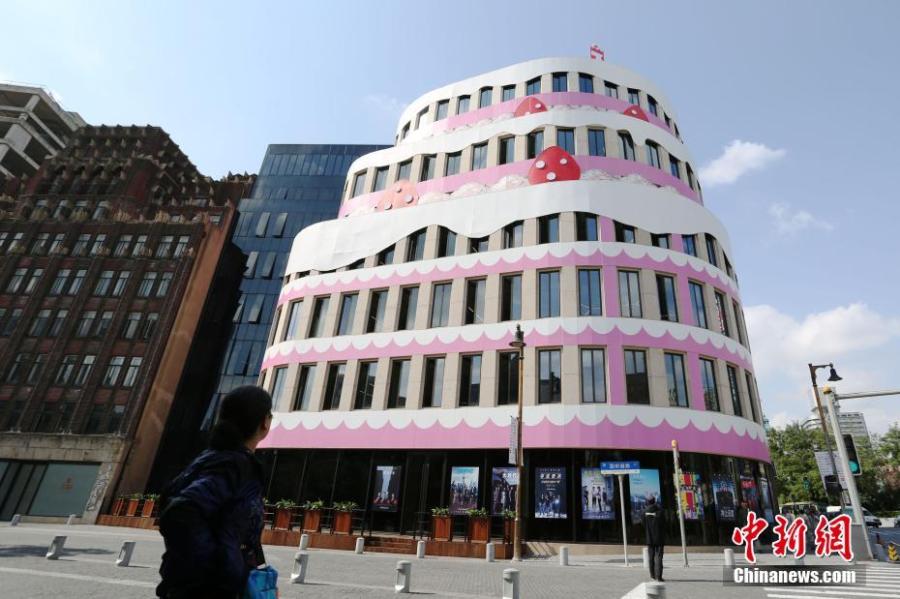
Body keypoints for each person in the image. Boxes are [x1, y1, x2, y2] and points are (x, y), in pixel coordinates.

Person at [156, 386, 273, 599]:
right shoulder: (233, 465)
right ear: (265, 422)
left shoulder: (210, 459)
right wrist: (222, 570)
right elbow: (181, 511)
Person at [643, 496, 666, 582]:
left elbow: (643, 524)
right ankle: (659, 576)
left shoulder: (644, 512)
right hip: (659, 538)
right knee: (659, 557)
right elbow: (664, 523)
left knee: (651, 557)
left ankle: (652, 575)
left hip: (649, 538)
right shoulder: (660, 511)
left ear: (647, 502)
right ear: (654, 501)